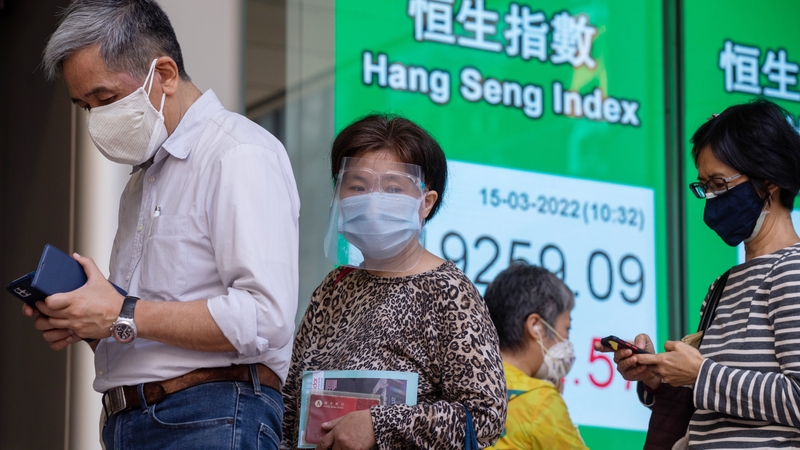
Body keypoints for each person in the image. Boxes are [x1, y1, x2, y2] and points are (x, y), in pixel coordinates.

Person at [25, 1, 300, 448]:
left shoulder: (239, 153)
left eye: (105, 99)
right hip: (131, 421)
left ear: (165, 75)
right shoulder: (143, 179)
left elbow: (264, 318)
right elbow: (146, 326)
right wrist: (92, 321)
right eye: (84, 106)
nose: (96, 119)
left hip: (211, 417)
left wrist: (121, 311)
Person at [280, 114, 507, 449]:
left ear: (426, 203)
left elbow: (485, 416)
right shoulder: (333, 289)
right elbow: (290, 407)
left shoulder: (448, 292)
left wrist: (379, 425)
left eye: (393, 189)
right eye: (358, 187)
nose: (373, 202)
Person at [598, 99, 800, 448]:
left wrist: (701, 373)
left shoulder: (792, 271)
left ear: (769, 181)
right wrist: (658, 376)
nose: (711, 198)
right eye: (704, 186)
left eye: (719, 184)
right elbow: (712, 403)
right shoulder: (723, 285)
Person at [483, 262, 587, 450]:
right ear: (535, 326)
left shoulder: (454, 383)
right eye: (567, 329)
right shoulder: (539, 400)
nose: (566, 341)